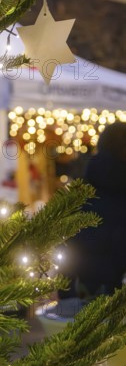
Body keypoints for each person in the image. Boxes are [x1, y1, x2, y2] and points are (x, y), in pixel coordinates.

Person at [59, 122, 126, 299]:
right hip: (113, 289)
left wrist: (66, 291)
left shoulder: (83, 188)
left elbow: (67, 243)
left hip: (83, 289)